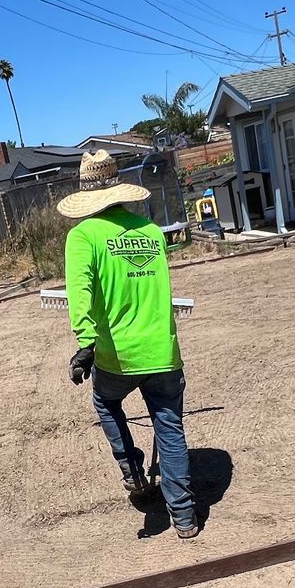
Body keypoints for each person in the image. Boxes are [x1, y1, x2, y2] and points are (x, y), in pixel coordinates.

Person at [59, 149, 199, 538]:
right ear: (119, 191)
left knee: (106, 402)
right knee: (170, 427)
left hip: (117, 356)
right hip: (163, 351)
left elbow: (80, 293)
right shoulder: (151, 233)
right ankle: (184, 517)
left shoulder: (83, 236)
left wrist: (86, 344)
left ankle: (135, 474)